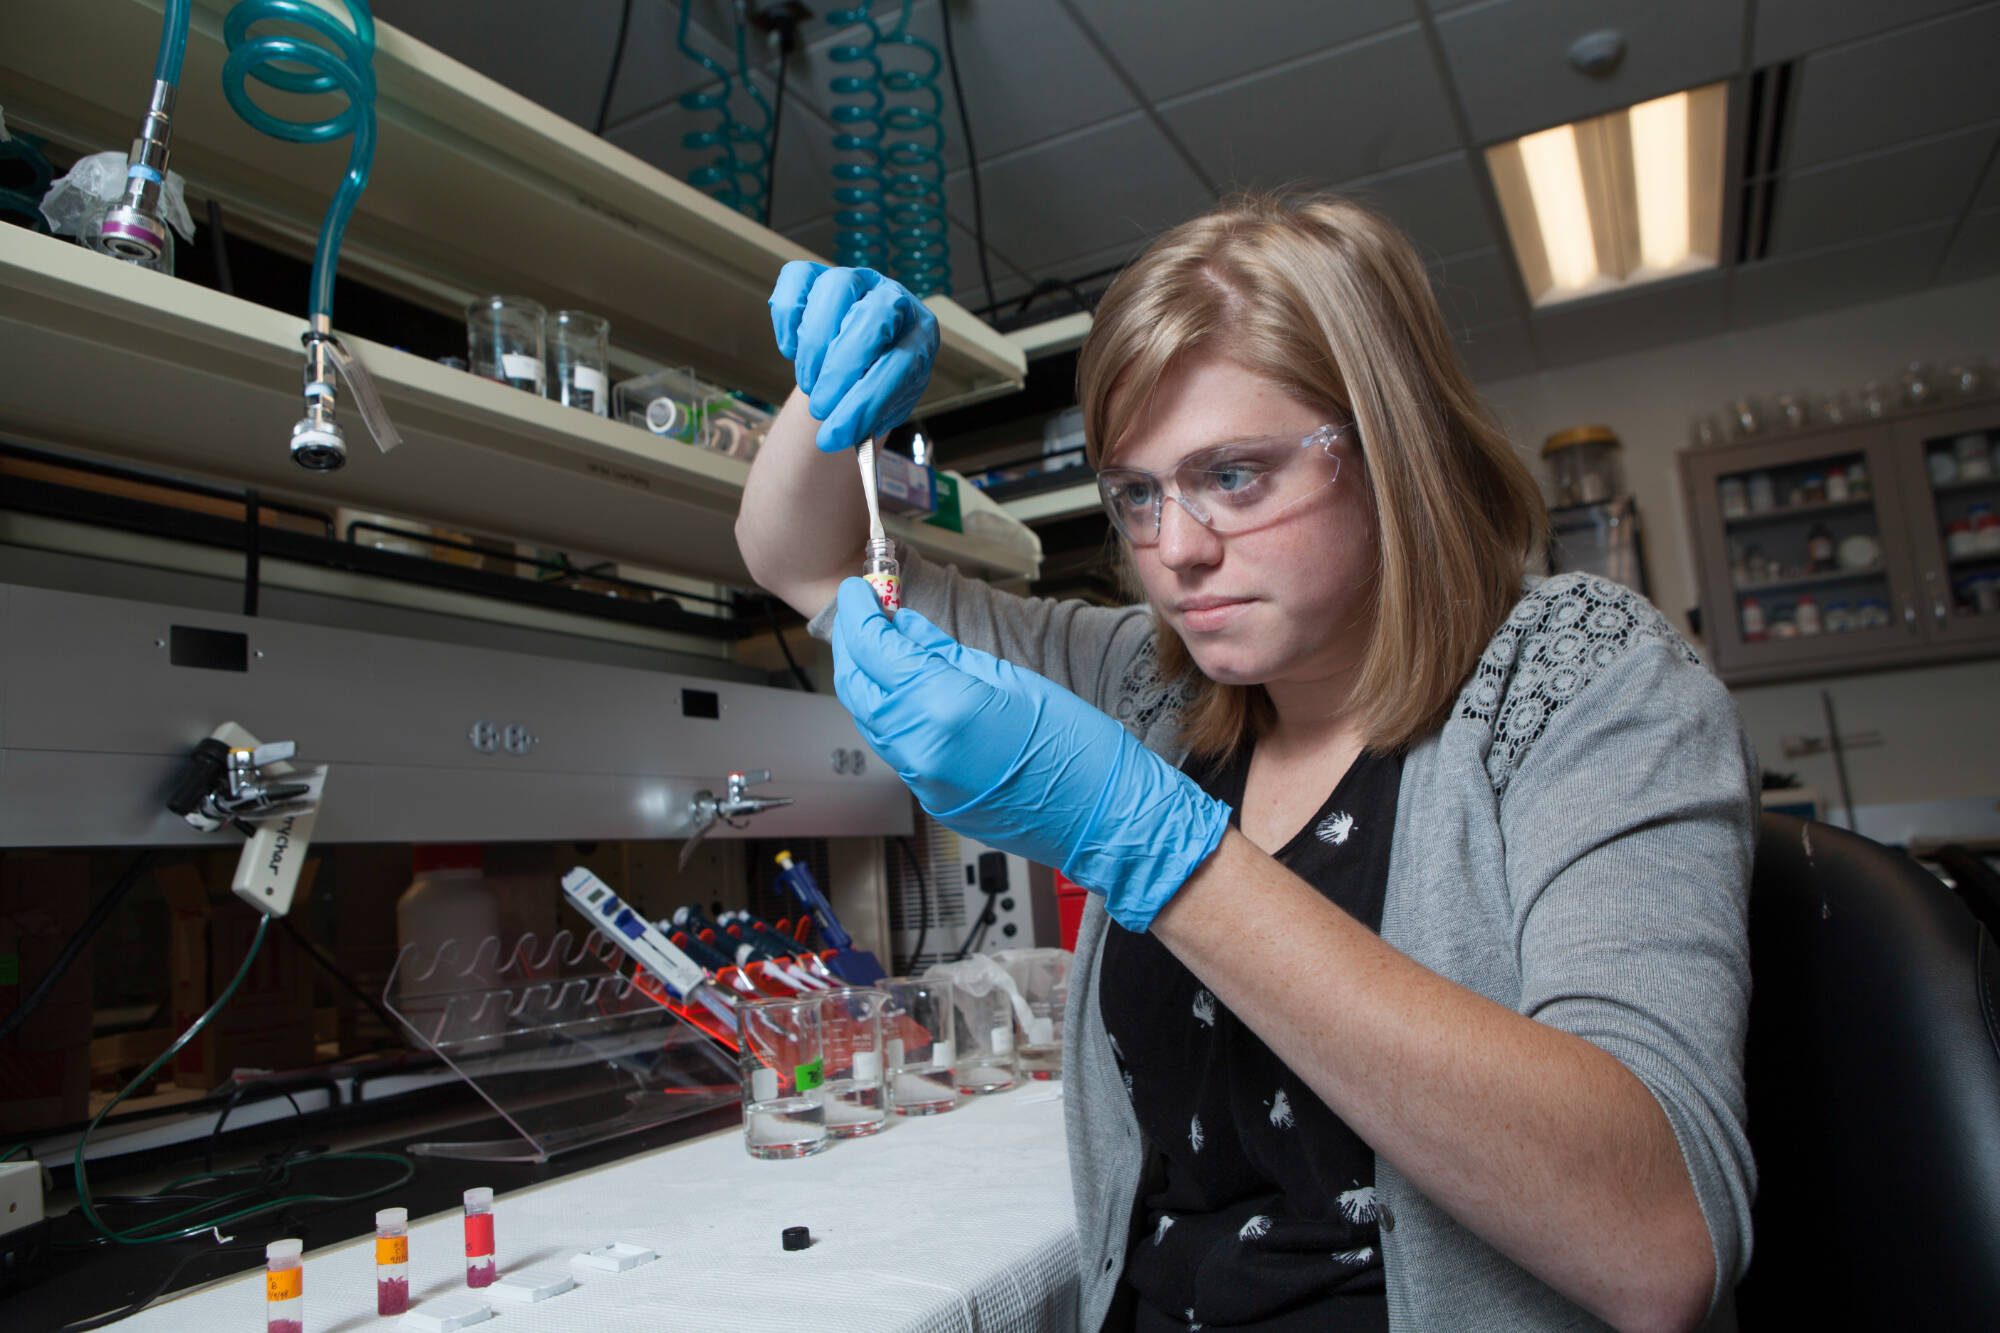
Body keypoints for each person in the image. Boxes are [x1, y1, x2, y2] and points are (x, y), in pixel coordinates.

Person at [737, 194, 1755, 1333]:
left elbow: (1657, 1243)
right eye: (1136, 493)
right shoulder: (1155, 684)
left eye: (1233, 476)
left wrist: (1158, 850)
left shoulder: (1578, 675)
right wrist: (830, 398)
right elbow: (800, 559)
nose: (1175, 548)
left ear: (1387, 448)